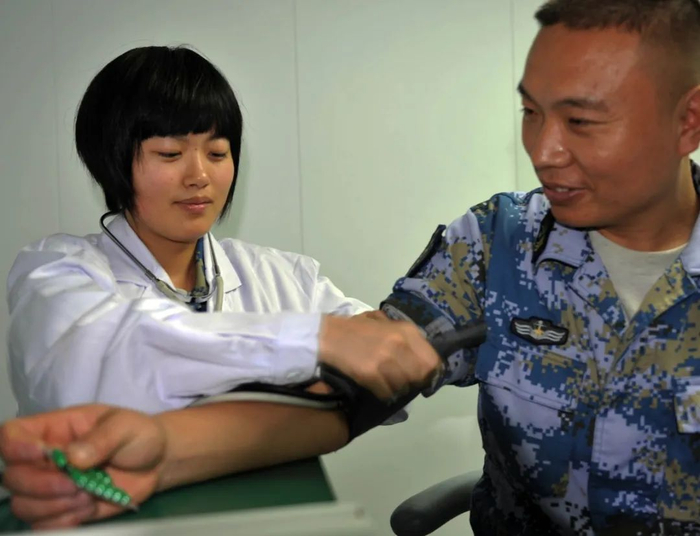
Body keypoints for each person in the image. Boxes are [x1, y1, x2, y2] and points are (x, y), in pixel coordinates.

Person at [8, 0, 700, 533]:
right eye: (529, 112)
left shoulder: (279, 272)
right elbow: (356, 389)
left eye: (581, 121)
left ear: (686, 122)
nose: (543, 151)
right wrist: (162, 451)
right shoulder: (498, 243)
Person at [6, 45, 440, 416]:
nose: (199, 176)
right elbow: (100, 366)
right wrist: (314, 342)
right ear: (111, 161)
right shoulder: (56, 273)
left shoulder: (283, 279)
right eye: (170, 153)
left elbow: (386, 362)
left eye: (217, 153)